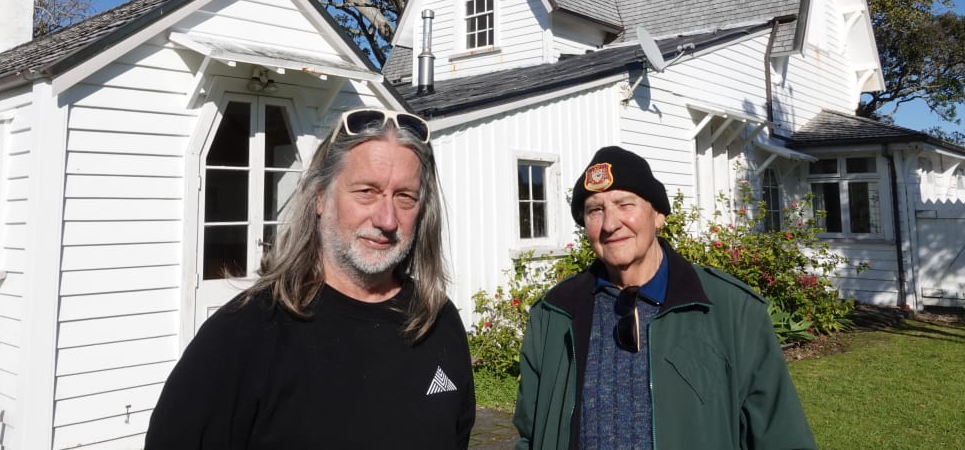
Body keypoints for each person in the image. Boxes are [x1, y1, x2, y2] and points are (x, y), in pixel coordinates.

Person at [145, 107, 475, 449]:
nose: (387, 219)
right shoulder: (242, 337)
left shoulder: (438, 322)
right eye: (366, 191)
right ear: (320, 197)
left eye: (404, 196)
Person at [513, 146, 816, 450]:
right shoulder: (554, 314)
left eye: (624, 204)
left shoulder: (731, 311)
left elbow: (781, 437)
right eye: (595, 210)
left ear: (658, 215)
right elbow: (531, 433)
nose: (610, 224)